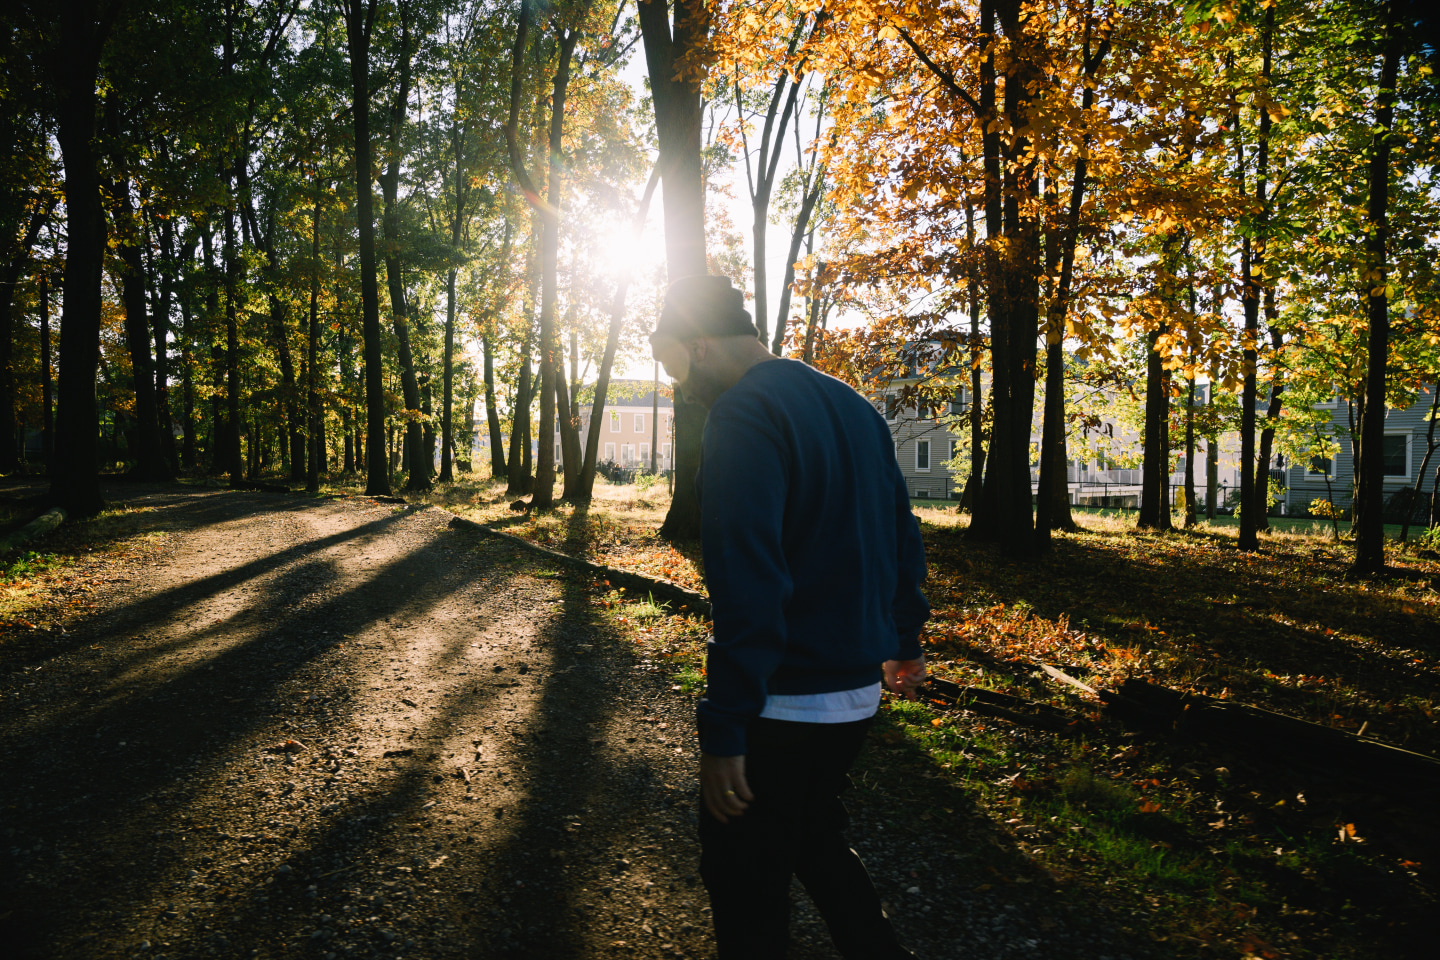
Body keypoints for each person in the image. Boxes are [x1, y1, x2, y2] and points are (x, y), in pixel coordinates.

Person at [649, 274, 930, 960]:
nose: (681, 388)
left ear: (704, 344)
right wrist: (906, 638)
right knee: (813, 839)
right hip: (857, 694)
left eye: (676, 367)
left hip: (784, 705)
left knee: (744, 882)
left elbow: (749, 581)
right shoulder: (851, 404)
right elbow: (902, 531)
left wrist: (724, 729)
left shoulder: (744, 413)